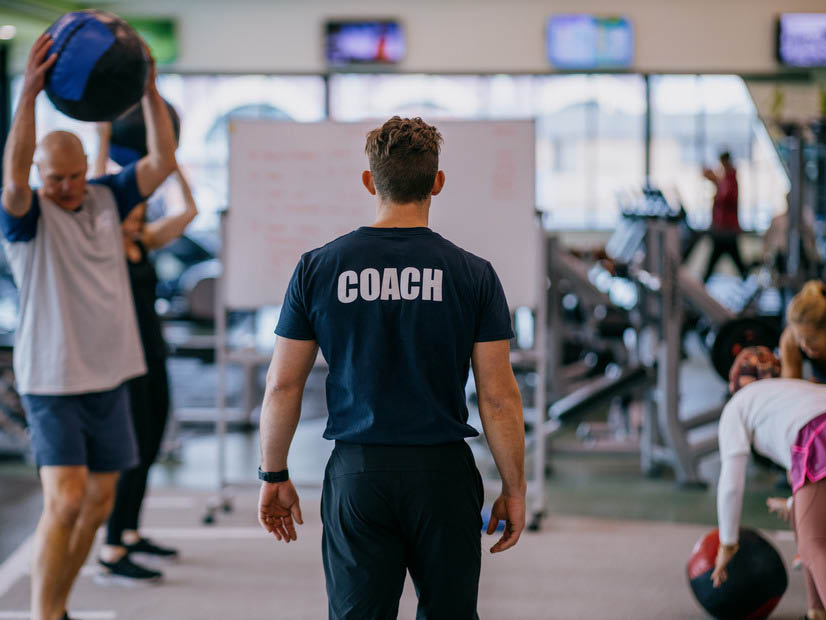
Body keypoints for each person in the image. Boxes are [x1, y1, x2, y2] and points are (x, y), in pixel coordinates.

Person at [257, 116, 526, 619]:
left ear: (370, 181)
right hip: (442, 475)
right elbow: (497, 397)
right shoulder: (474, 274)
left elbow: (282, 385)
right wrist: (514, 488)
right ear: (437, 183)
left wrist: (273, 472)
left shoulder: (318, 267)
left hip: (359, 472)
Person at [0, 34, 176, 620]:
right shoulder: (26, 217)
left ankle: (59, 604)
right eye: (56, 178)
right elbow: (13, 180)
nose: (69, 187)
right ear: (39, 174)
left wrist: (150, 92)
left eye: (75, 175)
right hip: (53, 380)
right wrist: (28, 95)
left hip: (111, 374)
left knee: (99, 503)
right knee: (66, 500)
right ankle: (43, 614)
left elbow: (162, 162)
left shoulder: (106, 197)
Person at [93, 123, 199, 583]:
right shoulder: (103, 245)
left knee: (151, 443)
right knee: (131, 451)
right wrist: (101, 138)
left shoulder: (143, 242)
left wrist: (173, 165)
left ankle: (131, 532)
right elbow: (99, 187)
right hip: (122, 362)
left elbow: (189, 212)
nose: (137, 212)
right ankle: (112, 547)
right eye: (131, 207)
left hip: (153, 356)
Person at [712, 349, 826, 620]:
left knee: (813, 545)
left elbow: (731, 482)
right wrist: (793, 504)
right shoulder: (793, 394)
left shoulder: (737, 406)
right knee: (805, 525)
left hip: (818, 433)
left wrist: (727, 543)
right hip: (818, 432)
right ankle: (816, 612)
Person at [702, 151, 747, 282]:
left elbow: (725, 199)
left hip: (726, 230)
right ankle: (747, 278)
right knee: (733, 261)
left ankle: (704, 282)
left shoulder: (730, 179)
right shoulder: (725, 179)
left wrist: (715, 181)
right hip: (723, 229)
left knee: (720, 259)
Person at [780, 280, 826, 383]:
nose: (805, 345)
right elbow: (790, 386)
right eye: (799, 338)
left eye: (811, 339)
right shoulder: (790, 338)